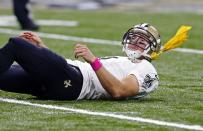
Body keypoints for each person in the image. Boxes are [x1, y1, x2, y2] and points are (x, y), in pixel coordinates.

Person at [0, 23, 160, 100]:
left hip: (74, 83)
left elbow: (120, 91)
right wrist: (42, 50)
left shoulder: (146, 68)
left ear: (151, 48)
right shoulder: (124, 61)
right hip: (63, 79)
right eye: (134, 37)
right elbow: (64, 68)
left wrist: (94, 61)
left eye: (142, 40)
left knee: (17, 45)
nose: (135, 41)